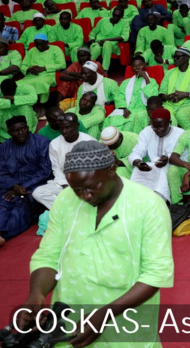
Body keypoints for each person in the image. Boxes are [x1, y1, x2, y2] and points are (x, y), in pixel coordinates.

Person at [18, 140, 173, 347]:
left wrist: (105, 314)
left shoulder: (148, 205)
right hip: (70, 321)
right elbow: (48, 255)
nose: (83, 196)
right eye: (76, 189)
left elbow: (156, 273)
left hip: (125, 325)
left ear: (111, 170)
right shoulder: (65, 200)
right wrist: (36, 293)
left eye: (91, 188)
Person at [0, 116, 51, 246]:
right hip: (10, 186)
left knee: (20, 205)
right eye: (16, 130)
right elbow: (1, 172)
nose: (21, 132)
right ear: (9, 133)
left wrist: (21, 187)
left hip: (34, 185)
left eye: (23, 128)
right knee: (5, 201)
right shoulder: (4, 147)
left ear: (28, 128)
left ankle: (3, 234)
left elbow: (45, 171)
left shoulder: (42, 142)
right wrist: (13, 185)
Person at [32, 113, 95, 209]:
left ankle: (71, 208)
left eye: (68, 127)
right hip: (64, 183)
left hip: (86, 183)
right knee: (38, 193)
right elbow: (56, 168)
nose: (64, 131)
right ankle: (66, 210)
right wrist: (65, 185)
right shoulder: (54, 144)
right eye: (61, 128)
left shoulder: (90, 142)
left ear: (77, 125)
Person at [129, 108, 184, 202]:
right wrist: (138, 162)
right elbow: (137, 152)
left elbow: (185, 158)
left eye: (161, 127)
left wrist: (168, 159)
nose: (157, 130)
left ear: (170, 122)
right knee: (137, 170)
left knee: (163, 171)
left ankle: (160, 202)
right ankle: (137, 201)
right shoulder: (146, 132)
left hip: (173, 167)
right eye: (154, 127)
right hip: (152, 165)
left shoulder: (180, 134)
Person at [159, 47, 190, 127]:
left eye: (177, 57)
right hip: (169, 105)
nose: (175, 59)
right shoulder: (169, 72)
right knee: (168, 118)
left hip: (189, 105)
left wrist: (186, 95)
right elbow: (161, 93)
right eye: (174, 57)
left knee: (181, 115)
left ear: (186, 57)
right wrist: (168, 96)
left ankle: (189, 137)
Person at [20, 33, 66, 111]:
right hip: (31, 76)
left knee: (41, 83)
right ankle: (26, 105)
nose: (39, 47)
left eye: (41, 44)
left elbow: (62, 64)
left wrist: (44, 68)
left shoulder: (56, 49)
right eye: (36, 45)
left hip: (48, 75)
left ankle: (42, 106)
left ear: (47, 42)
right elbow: (23, 65)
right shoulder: (32, 51)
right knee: (19, 84)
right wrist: (29, 69)